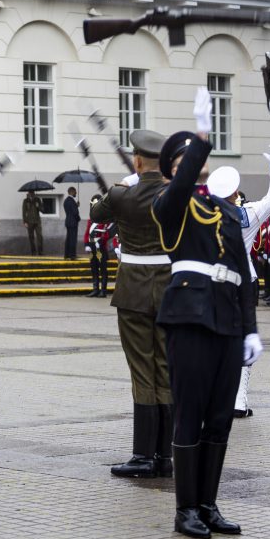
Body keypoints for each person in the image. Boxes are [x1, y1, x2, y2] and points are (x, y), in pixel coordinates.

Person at [152, 87, 262, 539]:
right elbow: (178, 186)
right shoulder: (170, 206)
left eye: (195, 161)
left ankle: (208, 503)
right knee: (190, 413)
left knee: (219, 417)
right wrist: (200, 136)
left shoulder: (229, 213)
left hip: (227, 322)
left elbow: (246, 275)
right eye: (183, 165)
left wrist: (251, 330)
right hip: (190, 318)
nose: (193, 169)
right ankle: (185, 511)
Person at [90, 129, 173, 480]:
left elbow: (96, 213)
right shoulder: (176, 195)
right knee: (166, 369)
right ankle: (165, 456)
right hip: (170, 290)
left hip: (135, 292)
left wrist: (120, 187)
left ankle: (143, 456)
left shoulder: (122, 194)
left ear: (137, 160)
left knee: (142, 372)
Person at [206, 146, 270, 421]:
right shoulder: (247, 215)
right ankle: (238, 400)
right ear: (235, 192)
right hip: (243, 282)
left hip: (212, 283)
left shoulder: (203, 215)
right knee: (242, 341)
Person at [84, 195, 111, 297]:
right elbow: (87, 233)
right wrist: (87, 244)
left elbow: (107, 234)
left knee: (102, 268)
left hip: (100, 248)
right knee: (93, 267)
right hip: (92, 248)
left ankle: (103, 290)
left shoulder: (105, 219)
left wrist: (100, 241)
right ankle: (95, 289)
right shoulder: (90, 220)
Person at [22, 190, 43, 255]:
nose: (32, 194)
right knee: (31, 237)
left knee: (40, 236)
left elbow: (42, 210)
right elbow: (24, 211)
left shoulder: (38, 200)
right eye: (30, 192)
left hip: (37, 221)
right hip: (29, 221)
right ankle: (33, 252)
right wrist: (25, 222)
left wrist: (38, 206)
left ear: (34, 193)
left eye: (33, 192)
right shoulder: (25, 201)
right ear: (28, 193)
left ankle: (40, 252)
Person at [63, 186, 80, 259]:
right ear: (72, 192)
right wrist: (78, 218)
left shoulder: (66, 201)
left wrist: (76, 205)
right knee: (73, 239)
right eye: (75, 192)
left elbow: (69, 211)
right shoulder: (71, 201)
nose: (76, 193)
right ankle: (72, 255)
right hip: (73, 223)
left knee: (68, 239)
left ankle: (67, 255)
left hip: (68, 222)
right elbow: (75, 212)